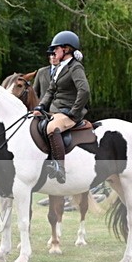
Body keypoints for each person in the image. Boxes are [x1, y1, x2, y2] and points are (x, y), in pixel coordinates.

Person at [32, 30, 90, 184]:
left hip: (67, 112)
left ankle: (59, 167)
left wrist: (74, 112)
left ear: (66, 49)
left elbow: (84, 91)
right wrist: (40, 107)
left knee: (52, 128)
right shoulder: (59, 68)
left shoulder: (75, 67)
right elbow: (50, 91)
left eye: (56, 48)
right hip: (53, 111)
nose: (53, 52)